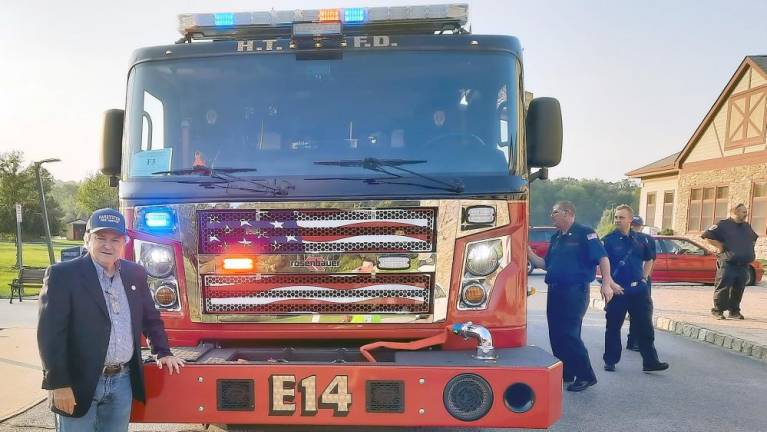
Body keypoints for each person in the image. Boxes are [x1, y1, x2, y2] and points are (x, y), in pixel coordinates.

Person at [37, 208, 185, 431]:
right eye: (100, 238)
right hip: (78, 383)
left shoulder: (135, 273)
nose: (108, 245)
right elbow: (50, 334)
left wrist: (163, 351)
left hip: (122, 382)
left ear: (124, 242)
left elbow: (150, 318)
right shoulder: (63, 275)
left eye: (115, 239)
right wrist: (58, 384)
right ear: (87, 239)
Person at [527, 201, 620, 392]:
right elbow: (545, 264)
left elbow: (602, 257)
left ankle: (586, 375)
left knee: (570, 334)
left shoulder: (585, 233)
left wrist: (606, 283)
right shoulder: (556, 238)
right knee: (557, 334)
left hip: (575, 291)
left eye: (555, 212)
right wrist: (527, 252)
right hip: (555, 290)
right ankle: (567, 372)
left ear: (568, 212)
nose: (551, 216)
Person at [601, 205, 669, 373]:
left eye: (621, 217)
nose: (617, 220)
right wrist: (610, 283)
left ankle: (650, 362)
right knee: (613, 327)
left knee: (645, 326)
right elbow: (602, 263)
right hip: (618, 290)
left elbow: (649, 259)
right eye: (616, 217)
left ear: (630, 220)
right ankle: (610, 360)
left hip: (638, 290)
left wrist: (644, 279)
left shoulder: (643, 240)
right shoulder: (608, 240)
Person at [701, 203, 758, 320]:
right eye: (743, 212)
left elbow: (753, 239)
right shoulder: (723, 225)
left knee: (739, 288)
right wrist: (720, 247)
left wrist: (749, 250)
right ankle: (718, 311)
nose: (746, 214)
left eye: (746, 211)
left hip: (743, 265)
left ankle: (734, 311)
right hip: (728, 263)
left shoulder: (746, 226)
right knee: (723, 288)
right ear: (735, 212)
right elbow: (707, 236)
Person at [625, 215, 656, 351]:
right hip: (628, 280)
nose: (636, 229)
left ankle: (635, 340)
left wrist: (645, 278)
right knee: (633, 311)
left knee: (641, 312)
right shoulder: (624, 238)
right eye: (634, 226)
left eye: (638, 226)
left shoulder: (647, 239)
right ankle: (633, 340)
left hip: (642, 280)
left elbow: (651, 260)